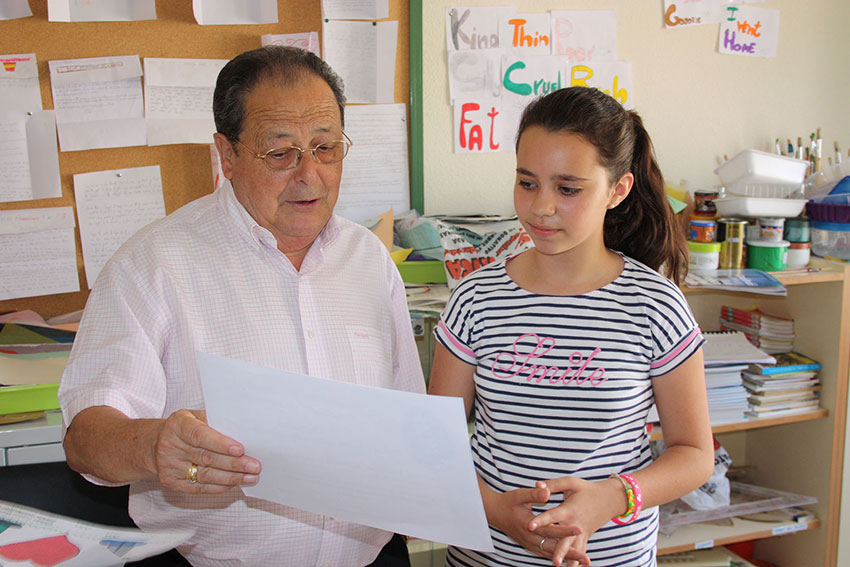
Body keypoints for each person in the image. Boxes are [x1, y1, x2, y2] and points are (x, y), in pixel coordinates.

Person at [58, 45, 425, 567]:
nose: (309, 175)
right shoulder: (152, 264)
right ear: (226, 156)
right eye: (280, 154)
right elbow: (85, 440)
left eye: (326, 148)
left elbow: (406, 421)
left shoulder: (368, 258)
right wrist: (155, 444)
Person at [428, 87, 714, 567]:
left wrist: (615, 497)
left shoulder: (654, 305)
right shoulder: (475, 299)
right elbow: (435, 444)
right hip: (487, 556)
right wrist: (496, 510)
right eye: (526, 182)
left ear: (617, 190)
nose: (541, 207)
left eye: (567, 188)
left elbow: (694, 453)